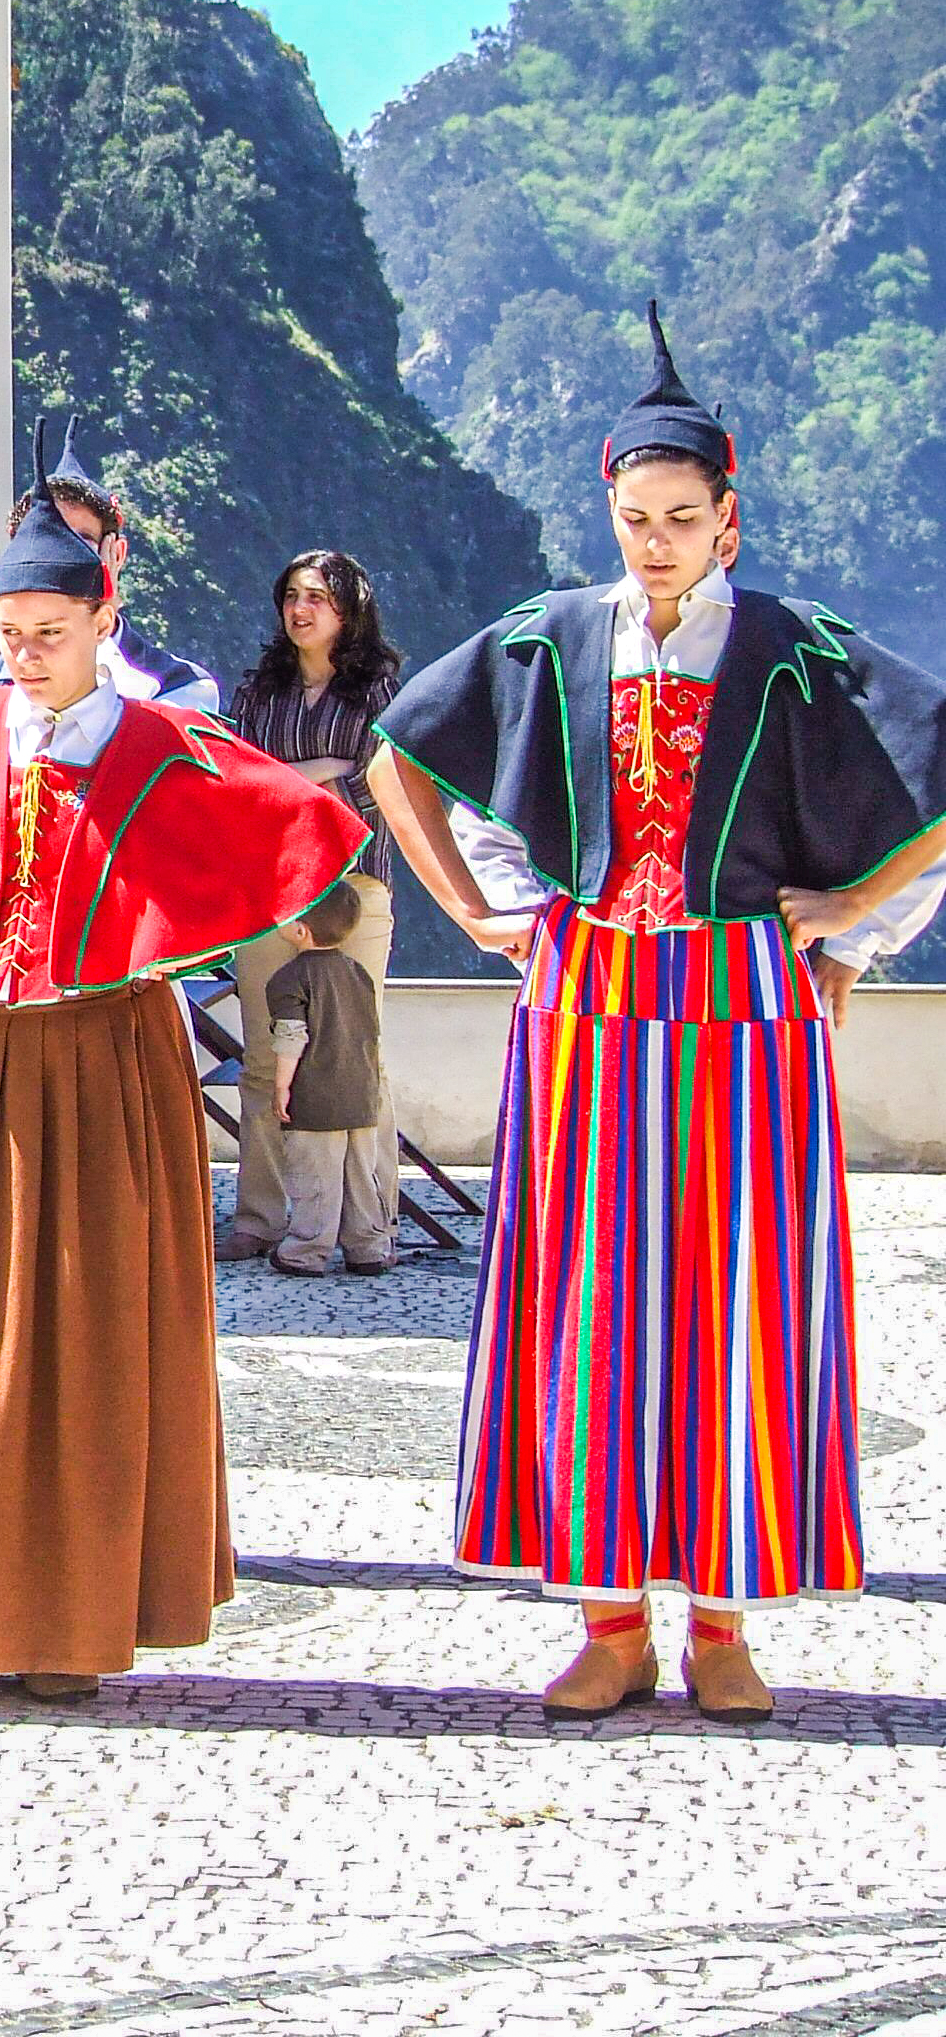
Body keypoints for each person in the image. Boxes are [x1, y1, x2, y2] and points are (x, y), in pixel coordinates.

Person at [367, 305, 946, 1723]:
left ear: (729, 517)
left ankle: (727, 1625)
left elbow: (929, 789)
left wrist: (847, 937)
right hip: (583, 1001)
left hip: (747, 1011)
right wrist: (483, 911)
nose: (659, 540)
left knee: (743, 1305)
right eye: (636, 518)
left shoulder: (797, 651)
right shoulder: (550, 637)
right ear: (608, 514)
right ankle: (611, 1618)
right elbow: (399, 756)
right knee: (587, 1313)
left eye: (684, 516)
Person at [0, 424, 367, 1700]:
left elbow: (313, 829)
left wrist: (192, 931)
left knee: (95, 1338)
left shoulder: (164, 744)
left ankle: (74, 1628)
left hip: (113, 1061)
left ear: (105, 617)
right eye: (11, 628)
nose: (24, 652)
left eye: (49, 629)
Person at [219, 550, 402, 1267]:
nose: (302, 609)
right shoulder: (259, 692)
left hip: (358, 888)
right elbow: (237, 783)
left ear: (349, 610)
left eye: (319, 597)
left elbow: (388, 788)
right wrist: (319, 776)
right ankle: (260, 1220)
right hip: (271, 890)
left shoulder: (379, 692)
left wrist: (299, 784)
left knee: (359, 1056)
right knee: (265, 1059)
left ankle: (370, 1227)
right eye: (292, 595)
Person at [0, 421, 220, 711]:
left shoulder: (179, 689)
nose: (60, 557)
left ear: (117, 553)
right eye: (43, 542)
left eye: (81, 539)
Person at [263, 879, 388, 1278]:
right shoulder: (359, 973)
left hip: (316, 1097)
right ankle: (368, 1248)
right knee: (361, 1177)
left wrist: (281, 1086)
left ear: (301, 930)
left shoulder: (287, 979)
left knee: (316, 1179)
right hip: (362, 1094)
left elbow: (291, 1036)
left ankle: (305, 1251)